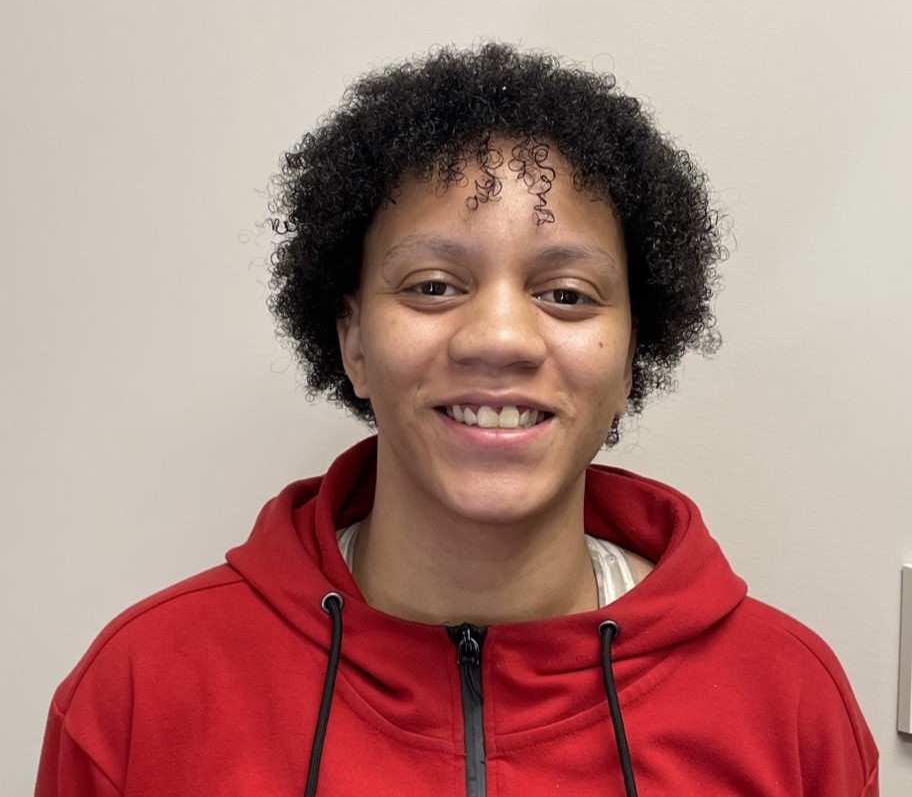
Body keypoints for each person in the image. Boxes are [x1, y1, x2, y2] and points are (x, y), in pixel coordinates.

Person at [35, 43, 878, 797]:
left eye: (566, 294)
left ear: (631, 356)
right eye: (434, 285)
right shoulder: (140, 693)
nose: (499, 338)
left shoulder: (789, 704)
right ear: (353, 339)